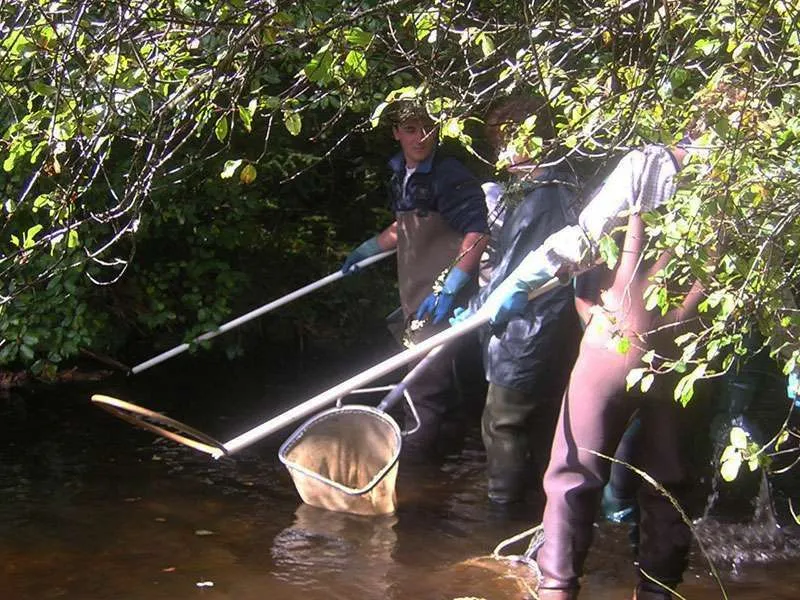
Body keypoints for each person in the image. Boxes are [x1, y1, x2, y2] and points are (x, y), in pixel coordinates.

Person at [456, 139, 702, 599]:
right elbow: (769, 295)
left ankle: (557, 588)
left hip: (618, 340)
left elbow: (584, 237)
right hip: (690, 357)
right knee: (668, 482)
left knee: (572, 473)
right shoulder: (750, 185)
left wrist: (518, 284)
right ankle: (657, 591)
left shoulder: (647, 164)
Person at [341, 100, 488, 460]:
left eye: (427, 127)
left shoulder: (450, 175)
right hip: (414, 292)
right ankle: (451, 468)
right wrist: (368, 249)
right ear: (395, 132)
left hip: (442, 298)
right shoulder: (400, 173)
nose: (420, 137)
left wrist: (451, 285)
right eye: (410, 129)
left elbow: (477, 233)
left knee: (421, 385)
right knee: (443, 385)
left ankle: (413, 475)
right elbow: (403, 227)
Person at [470, 95, 582, 506]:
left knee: (503, 422)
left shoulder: (543, 195)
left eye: (507, 139)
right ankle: (542, 517)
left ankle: (504, 512)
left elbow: (514, 272)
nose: (502, 153)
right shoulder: (557, 184)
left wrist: (478, 304)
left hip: (528, 332)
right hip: (550, 328)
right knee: (542, 425)